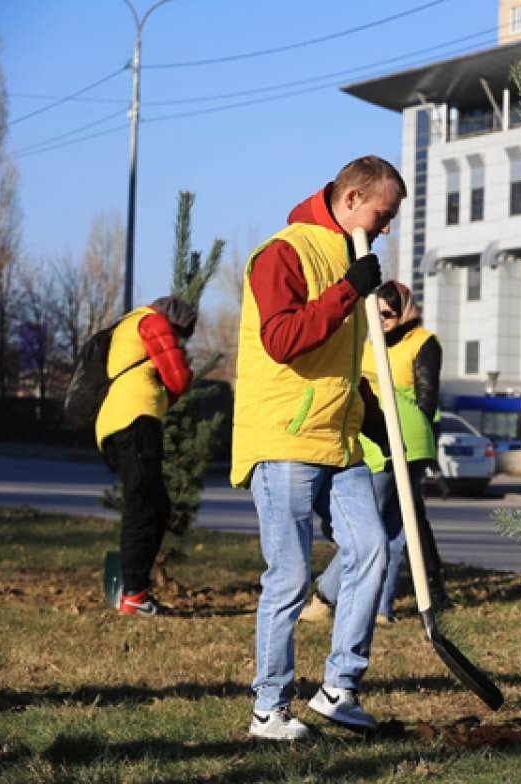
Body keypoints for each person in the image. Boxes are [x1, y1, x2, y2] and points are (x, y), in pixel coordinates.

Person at [231, 155, 404, 741]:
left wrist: (372, 414)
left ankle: (339, 689)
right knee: (289, 579)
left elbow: (335, 365)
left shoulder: (350, 258)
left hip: (338, 437)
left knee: (373, 550)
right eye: (383, 215)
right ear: (351, 199)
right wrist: (347, 291)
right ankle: (269, 710)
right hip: (283, 438)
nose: (386, 229)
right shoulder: (283, 252)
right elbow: (284, 341)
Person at [301, 280, 446, 625]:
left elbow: (428, 396)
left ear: (404, 312)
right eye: (375, 313)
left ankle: (324, 597)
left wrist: (405, 430)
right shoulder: (365, 346)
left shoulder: (422, 341)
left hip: (399, 436)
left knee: (370, 525)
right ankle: (381, 609)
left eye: (389, 314)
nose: (382, 321)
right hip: (384, 436)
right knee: (393, 528)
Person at [96, 296, 196, 616]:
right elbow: (178, 377)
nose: (179, 341)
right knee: (142, 506)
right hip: (135, 419)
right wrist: (173, 390)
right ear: (174, 322)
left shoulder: (130, 324)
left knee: (156, 505)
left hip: (120, 421)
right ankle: (134, 595)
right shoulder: (152, 322)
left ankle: (135, 590)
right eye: (180, 335)